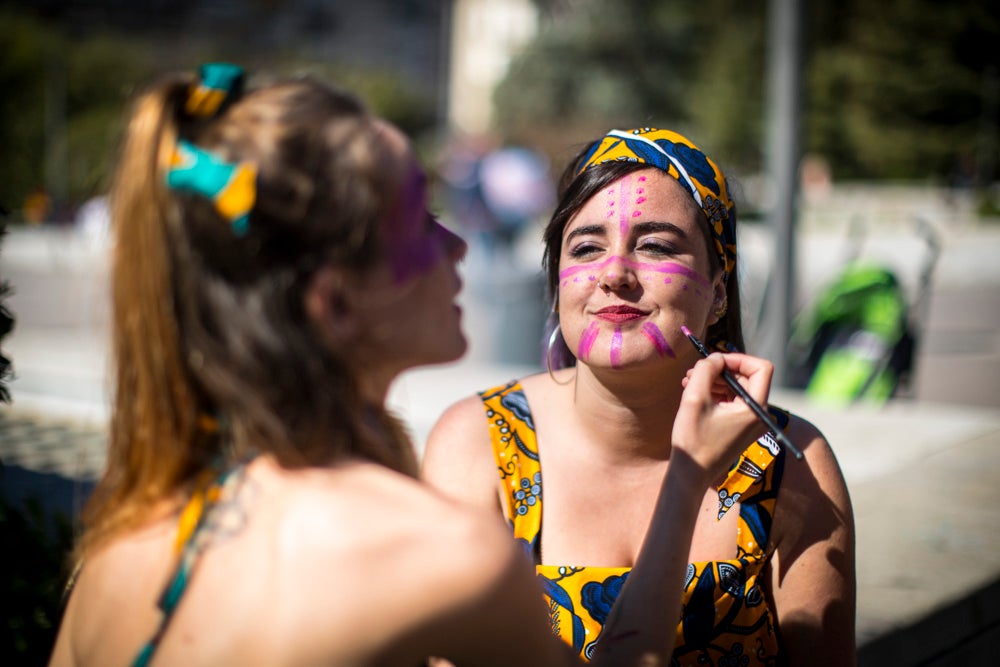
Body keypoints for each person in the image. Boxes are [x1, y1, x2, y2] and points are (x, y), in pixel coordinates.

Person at [47, 67, 788, 667]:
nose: (458, 247)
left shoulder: (125, 556)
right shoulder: (440, 555)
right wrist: (687, 476)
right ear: (337, 302)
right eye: (414, 216)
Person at [423, 128, 857, 665]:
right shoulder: (478, 444)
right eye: (585, 248)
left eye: (654, 245)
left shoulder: (792, 464)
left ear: (718, 293)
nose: (614, 274)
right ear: (557, 281)